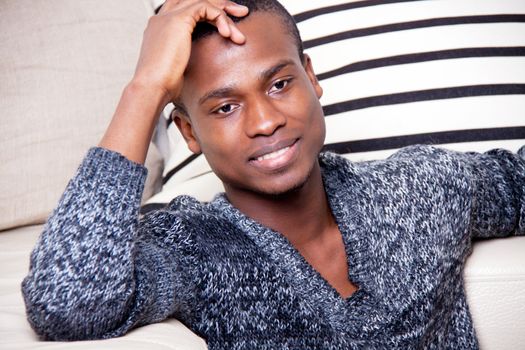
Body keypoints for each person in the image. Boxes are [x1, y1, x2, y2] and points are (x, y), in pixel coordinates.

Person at [21, 0, 524, 349]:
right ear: (189, 134)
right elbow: (67, 303)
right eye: (223, 108)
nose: (265, 122)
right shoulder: (190, 247)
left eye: (281, 83)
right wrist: (145, 88)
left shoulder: (422, 189)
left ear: (312, 77)